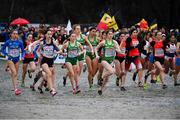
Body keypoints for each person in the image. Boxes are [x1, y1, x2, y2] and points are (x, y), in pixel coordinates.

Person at [95, 30, 122, 95]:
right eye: (109, 34)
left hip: (111, 61)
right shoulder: (103, 42)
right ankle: (101, 78)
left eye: (112, 34)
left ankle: (100, 89)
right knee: (112, 71)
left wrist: (116, 49)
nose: (110, 35)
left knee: (106, 79)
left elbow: (119, 51)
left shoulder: (114, 42)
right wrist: (97, 55)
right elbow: (96, 48)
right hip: (104, 60)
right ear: (107, 35)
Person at [1, 30, 24, 95]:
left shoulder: (20, 42)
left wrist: (22, 56)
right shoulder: (8, 42)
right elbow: (2, 49)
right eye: (14, 33)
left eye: (16, 34)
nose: (15, 35)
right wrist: (6, 54)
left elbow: (22, 51)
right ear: (11, 34)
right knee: (14, 72)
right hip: (10, 58)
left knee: (15, 74)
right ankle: (16, 89)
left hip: (17, 59)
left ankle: (8, 69)